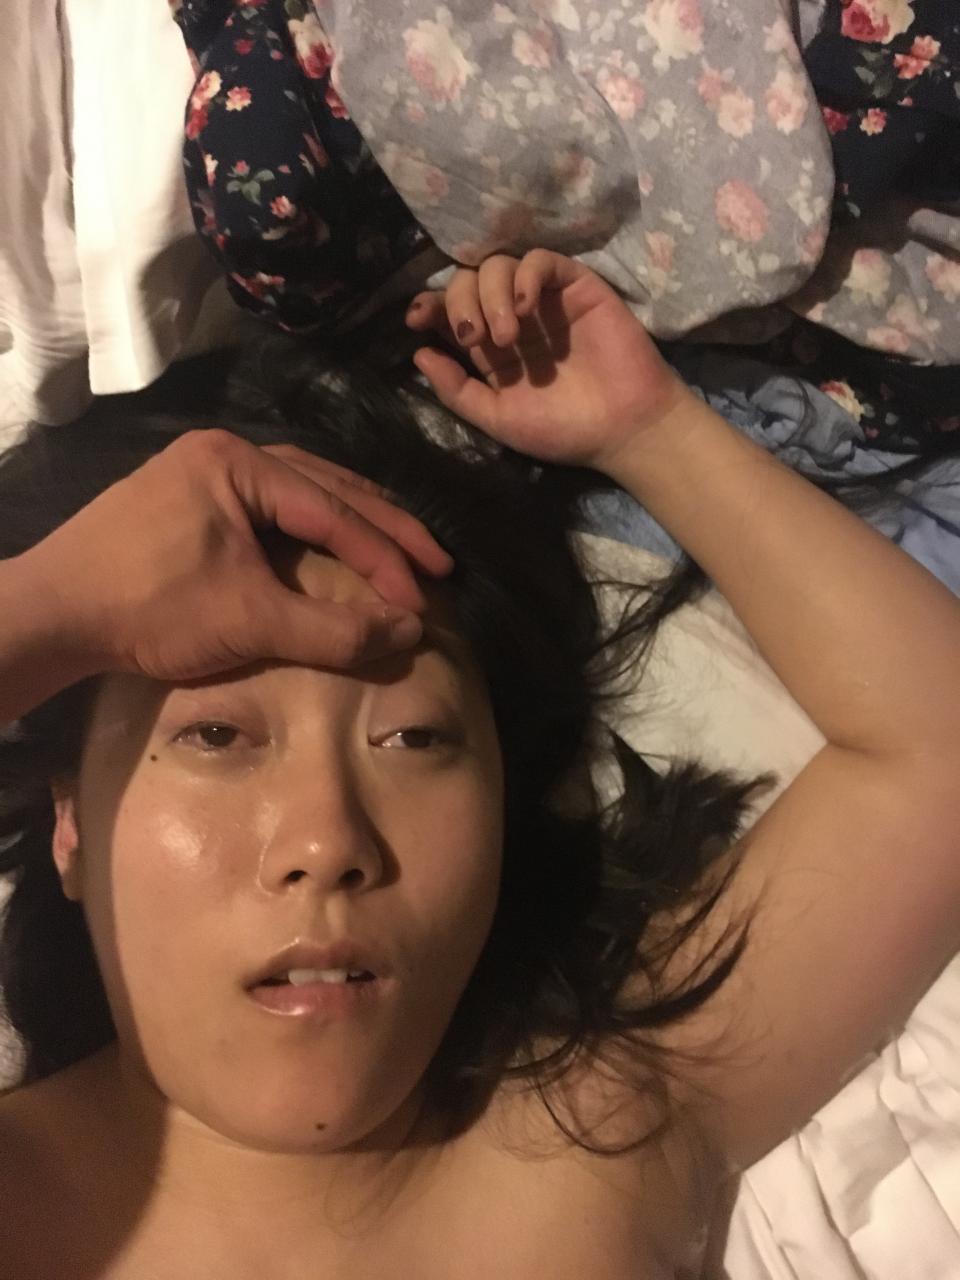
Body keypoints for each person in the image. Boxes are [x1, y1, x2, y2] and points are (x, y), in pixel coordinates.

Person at [1, 250, 958, 1279]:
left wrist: (650, 431)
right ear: (72, 826)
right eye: (217, 736)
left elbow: (933, 748)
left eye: (415, 738)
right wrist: (51, 609)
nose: (328, 839)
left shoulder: (602, 1133)